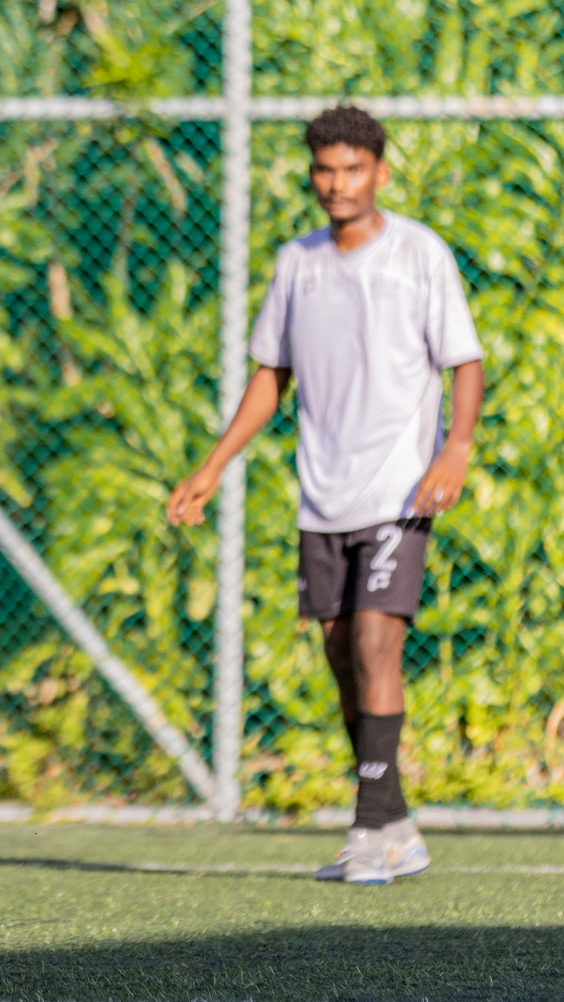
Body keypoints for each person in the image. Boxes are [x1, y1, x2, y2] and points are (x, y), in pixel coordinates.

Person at [166, 106, 484, 884]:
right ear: (313, 174)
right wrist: (213, 466)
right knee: (343, 652)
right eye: (325, 170)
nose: (338, 184)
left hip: (401, 484)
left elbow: (464, 361)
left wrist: (458, 448)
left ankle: (372, 826)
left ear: (379, 171)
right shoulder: (297, 263)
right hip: (325, 494)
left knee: (378, 640)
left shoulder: (419, 254)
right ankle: (396, 818)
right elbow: (272, 377)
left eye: (353, 169)